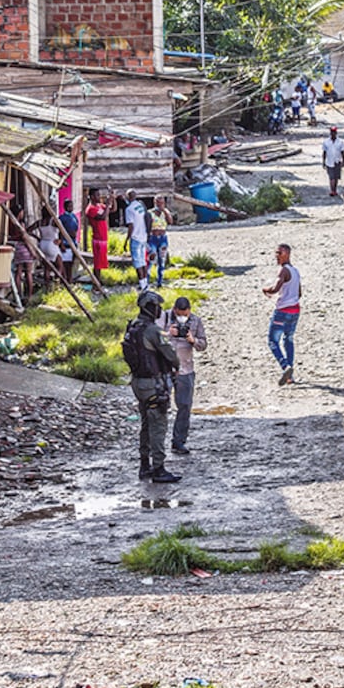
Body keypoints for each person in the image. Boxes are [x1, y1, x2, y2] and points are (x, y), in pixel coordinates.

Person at [124, 290, 182, 483]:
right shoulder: (153, 331)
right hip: (153, 384)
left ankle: (144, 465)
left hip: (138, 383)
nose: (160, 310)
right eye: (157, 306)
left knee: (146, 424)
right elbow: (171, 355)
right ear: (151, 307)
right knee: (158, 425)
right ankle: (158, 468)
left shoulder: (133, 327)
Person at [159, 296, 207, 455]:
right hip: (164, 368)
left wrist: (193, 340)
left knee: (184, 406)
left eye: (185, 314)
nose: (182, 317)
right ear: (174, 310)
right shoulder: (164, 316)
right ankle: (157, 443)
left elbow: (203, 345)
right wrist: (168, 333)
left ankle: (179, 441)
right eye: (180, 314)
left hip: (185, 369)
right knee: (160, 406)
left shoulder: (196, 321)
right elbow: (152, 334)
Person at [262, 243, 302, 386]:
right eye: (276, 253)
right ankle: (290, 376)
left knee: (273, 341)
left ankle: (285, 366)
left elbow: (275, 288)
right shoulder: (296, 271)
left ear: (287, 254)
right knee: (289, 339)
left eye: (279, 253)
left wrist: (265, 289)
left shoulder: (283, 271)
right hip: (295, 310)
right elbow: (299, 293)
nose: (276, 256)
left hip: (282, 311)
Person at [124, 190, 150, 291]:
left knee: (137, 263)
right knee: (143, 261)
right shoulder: (140, 205)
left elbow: (131, 226)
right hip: (143, 237)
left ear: (128, 197)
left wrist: (127, 239)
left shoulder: (129, 209)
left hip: (135, 238)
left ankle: (143, 285)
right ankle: (145, 283)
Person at [146, 195, 173, 288]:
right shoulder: (150, 213)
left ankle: (160, 281)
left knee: (162, 260)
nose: (160, 205)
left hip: (162, 238)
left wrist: (165, 211)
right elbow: (147, 226)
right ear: (155, 203)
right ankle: (146, 281)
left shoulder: (165, 213)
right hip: (153, 238)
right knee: (151, 259)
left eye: (162, 203)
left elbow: (170, 222)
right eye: (158, 202)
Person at [85, 188, 110, 277]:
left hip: (103, 237)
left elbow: (113, 209)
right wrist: (107, 205)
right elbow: (102, 217)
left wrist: (112, 198)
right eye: (97, 195)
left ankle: (98, 281)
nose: (99, 197)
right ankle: (96, 283)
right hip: (98, 238)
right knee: (97, 262)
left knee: (101, 261)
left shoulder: (99, 206)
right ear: (92, 197)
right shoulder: (90, 209)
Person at [36, 206, 62, 287]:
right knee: (59, 265)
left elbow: (28, 230)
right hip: (52, 243)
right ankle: (57, 283)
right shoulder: (53, 221)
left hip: (43, 244)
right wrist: (60, 240)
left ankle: (47, 285)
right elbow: (62, 229)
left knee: (47, 268)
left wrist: (37, 238)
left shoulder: (40, 222)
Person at [58, 199, 80, 283]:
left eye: (72, 206)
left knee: (71, 263)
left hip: (73, 242)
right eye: (70, 206)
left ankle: (70, 280)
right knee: (65, 264)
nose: (71, 207)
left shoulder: (73, 216)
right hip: (65, 243)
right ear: (66, 207)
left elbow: (76, 228)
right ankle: (65, 281)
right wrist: (61, 244)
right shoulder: (62, 218)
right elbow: (60, 231)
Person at [322, 126, 344, 197]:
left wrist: (343, 161)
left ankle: (334, 190)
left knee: (336, 177)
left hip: (337, 161)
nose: (333, 133)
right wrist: (323, 162)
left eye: (334, 132)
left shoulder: (340, 142)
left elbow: (342, 152)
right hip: (329, 162)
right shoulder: (326, 142)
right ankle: (332, 190)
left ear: (336, 133)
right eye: (332, 132)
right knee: (331, 177)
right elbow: (324, 152)